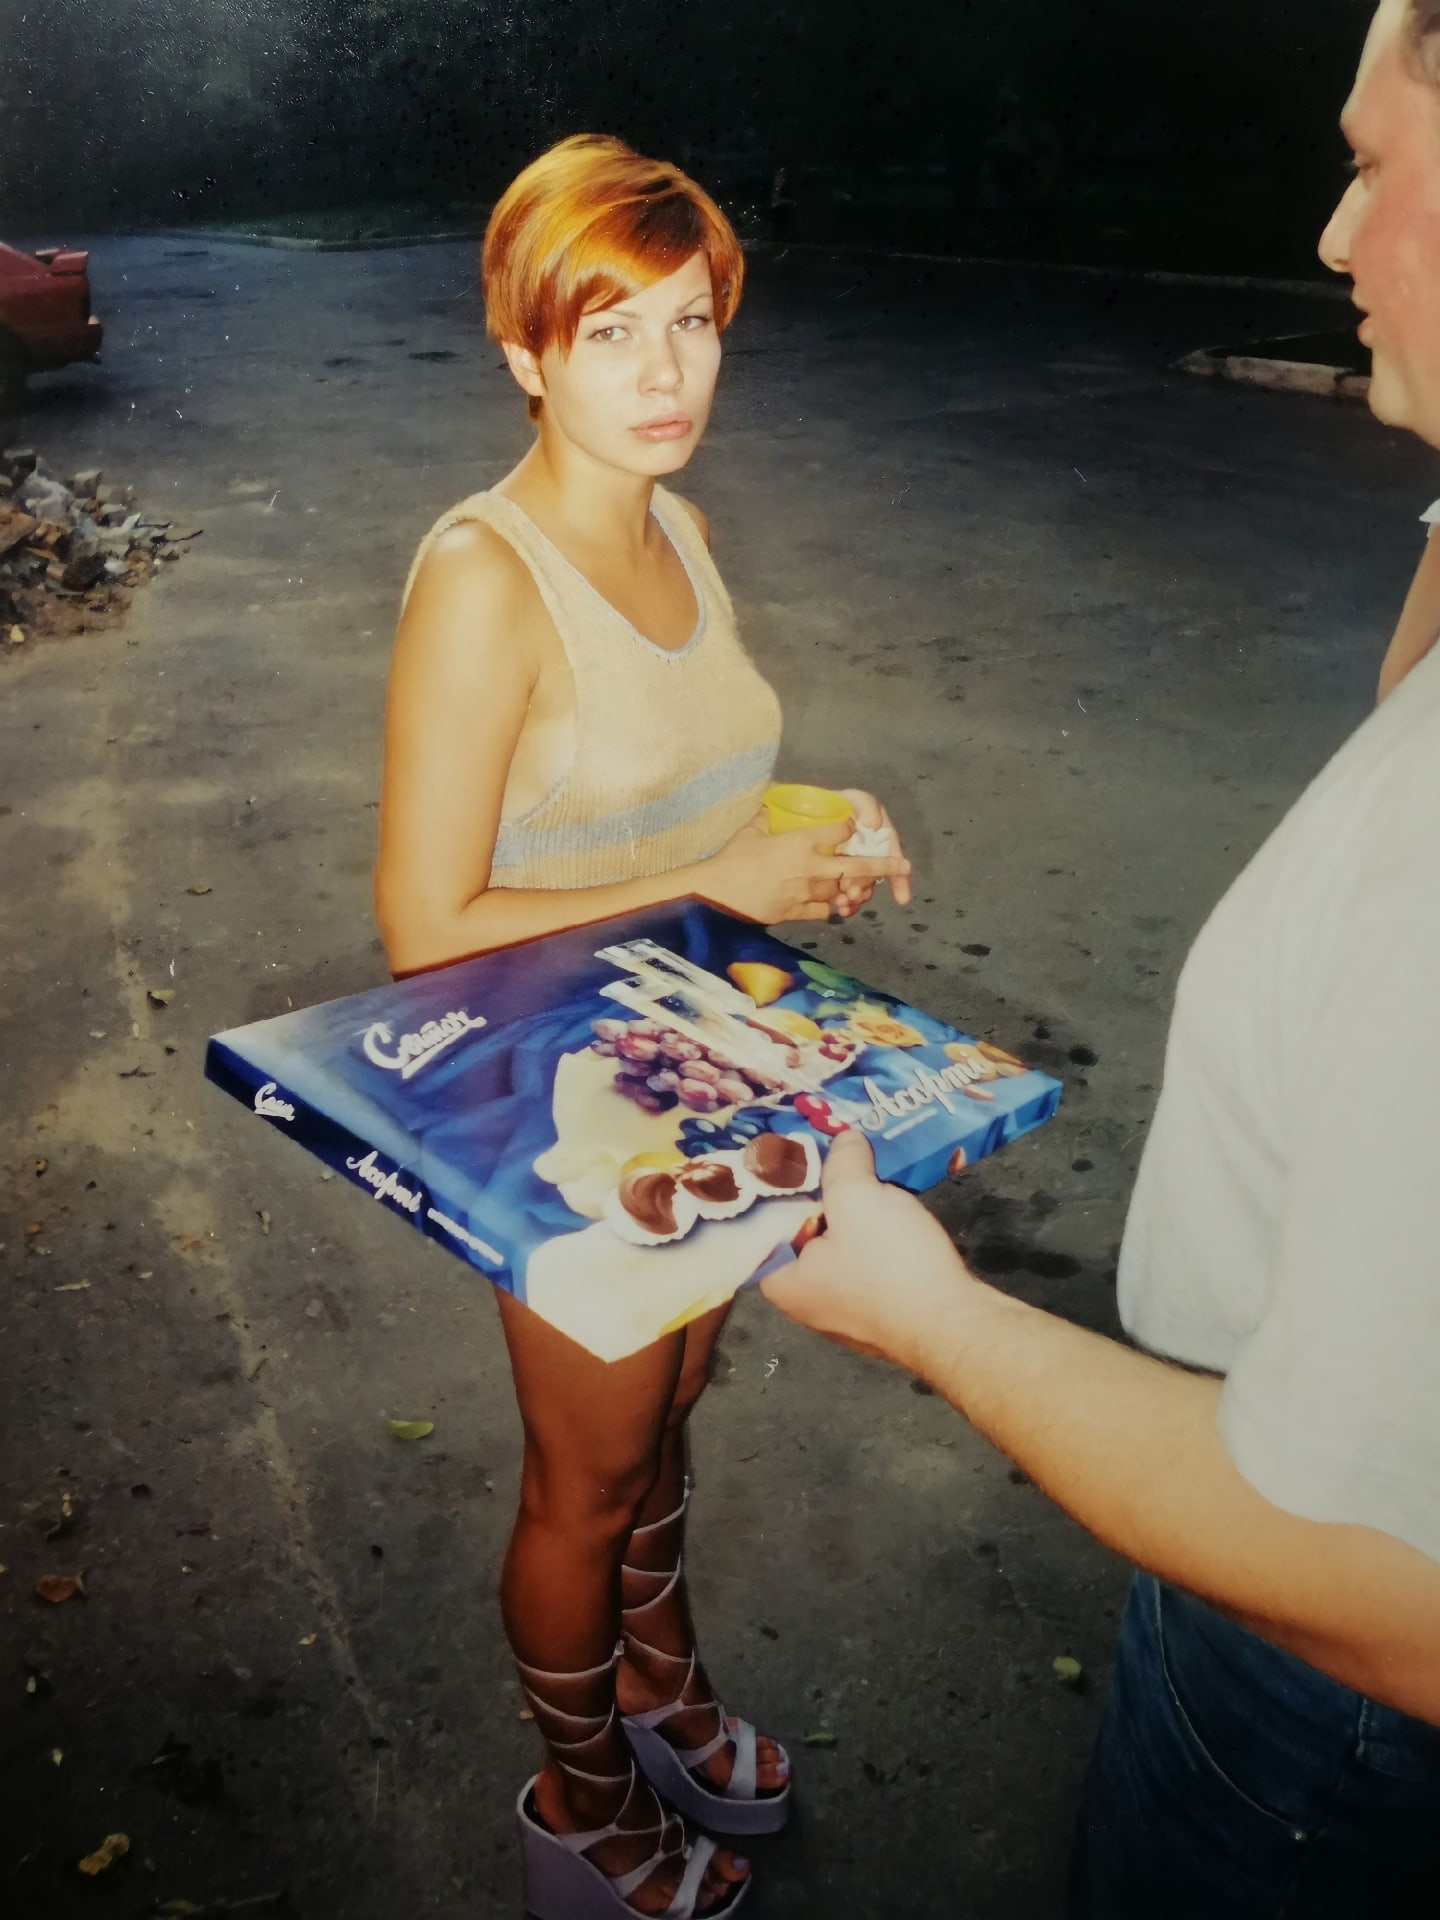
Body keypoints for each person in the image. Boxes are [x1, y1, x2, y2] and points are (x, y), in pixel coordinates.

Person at [762, 4, 1440, 1915]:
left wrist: (931, 1316)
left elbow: (1401, 1595)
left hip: (1319, 1726)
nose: (1331, 232)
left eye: (1372, 162)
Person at [373, 134, 911, 1920]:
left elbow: (684, 791)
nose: (667, 371)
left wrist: (814, 824)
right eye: (610, 331)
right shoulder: (486, 580)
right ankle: (581, 1799)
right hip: (550, 1097)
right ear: (524, 353)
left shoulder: (677, 524)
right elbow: (423, 928)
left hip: (689, 1065)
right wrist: (723, 880)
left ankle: (660, 1691)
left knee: (675, 1398)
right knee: (585, 1478)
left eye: (692, 321)